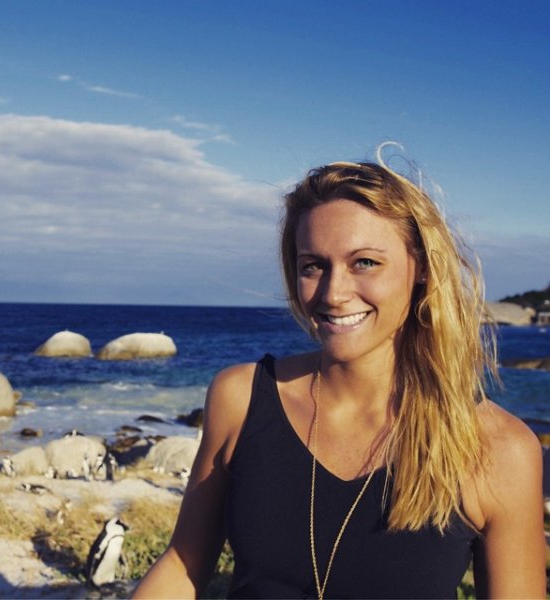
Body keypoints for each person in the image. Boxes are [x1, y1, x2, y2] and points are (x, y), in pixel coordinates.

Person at [133, 154, 546, 599]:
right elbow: (183, 565)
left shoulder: (497, 449)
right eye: (313, 266)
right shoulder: (242, 398)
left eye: (364, 262)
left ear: (422, 267)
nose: (333, 293)